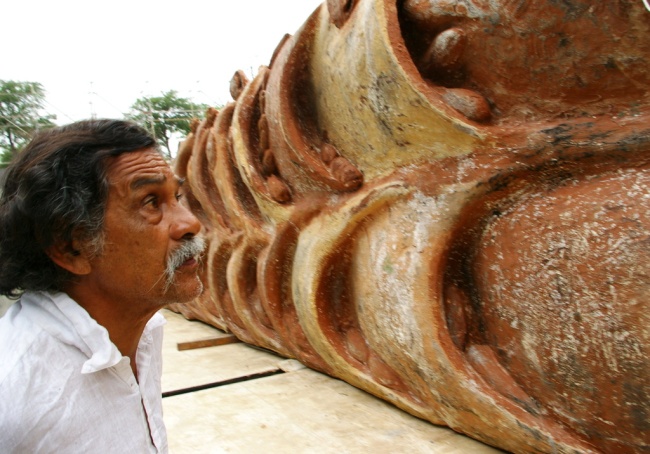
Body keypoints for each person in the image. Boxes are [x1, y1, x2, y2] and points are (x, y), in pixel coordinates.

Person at [0, 119, 205, 453]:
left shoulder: (146, 332)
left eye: (177, 196)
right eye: (150, 202)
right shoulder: (13, 398)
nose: (190, 223)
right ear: (71, 247)